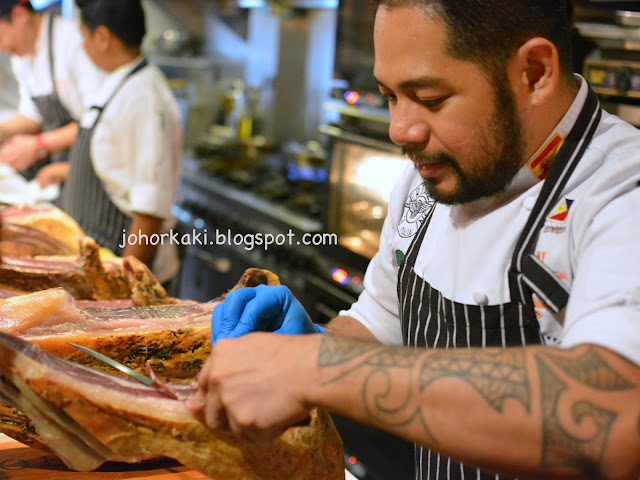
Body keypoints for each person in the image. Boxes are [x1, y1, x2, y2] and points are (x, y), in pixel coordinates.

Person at [186, 1, 640, 479]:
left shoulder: (619, 191)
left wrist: (318, 366)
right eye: (390, 96)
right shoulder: (431, 179)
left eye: (430, 98)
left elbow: (614, 416)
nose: (399, 130)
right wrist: (308, 342)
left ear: (534, 72)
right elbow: (387, 315)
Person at [55, 0, 182, 285]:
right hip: (97, 268)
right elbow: (117, 170)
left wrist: (125, 288)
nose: (82, 46)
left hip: (122, 274)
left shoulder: (144, 98)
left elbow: (150, 212)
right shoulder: (120, 83)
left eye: (83, 36)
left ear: (102, 38)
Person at [0, 0, 105, 181]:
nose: (1, 48)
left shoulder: (73, 42)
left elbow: (98, 121)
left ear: (19, 15)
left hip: (92, 167)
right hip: (60, 171)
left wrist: (38, 146)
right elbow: (31, 116)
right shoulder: (21, 54)